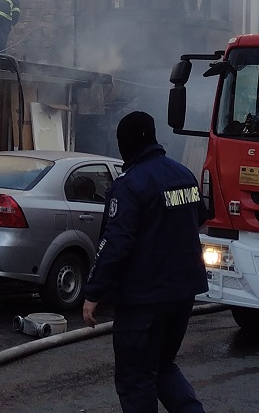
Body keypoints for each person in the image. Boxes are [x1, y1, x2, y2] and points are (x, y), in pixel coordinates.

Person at [83, 111, 208, 413]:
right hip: (182, 294)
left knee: (136, 377)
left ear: (126, 142)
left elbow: (115, 243)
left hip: (144, 301)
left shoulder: (129, 184)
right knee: (163, 366)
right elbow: (200, 217)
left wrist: (93, 293)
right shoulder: (183, 174)